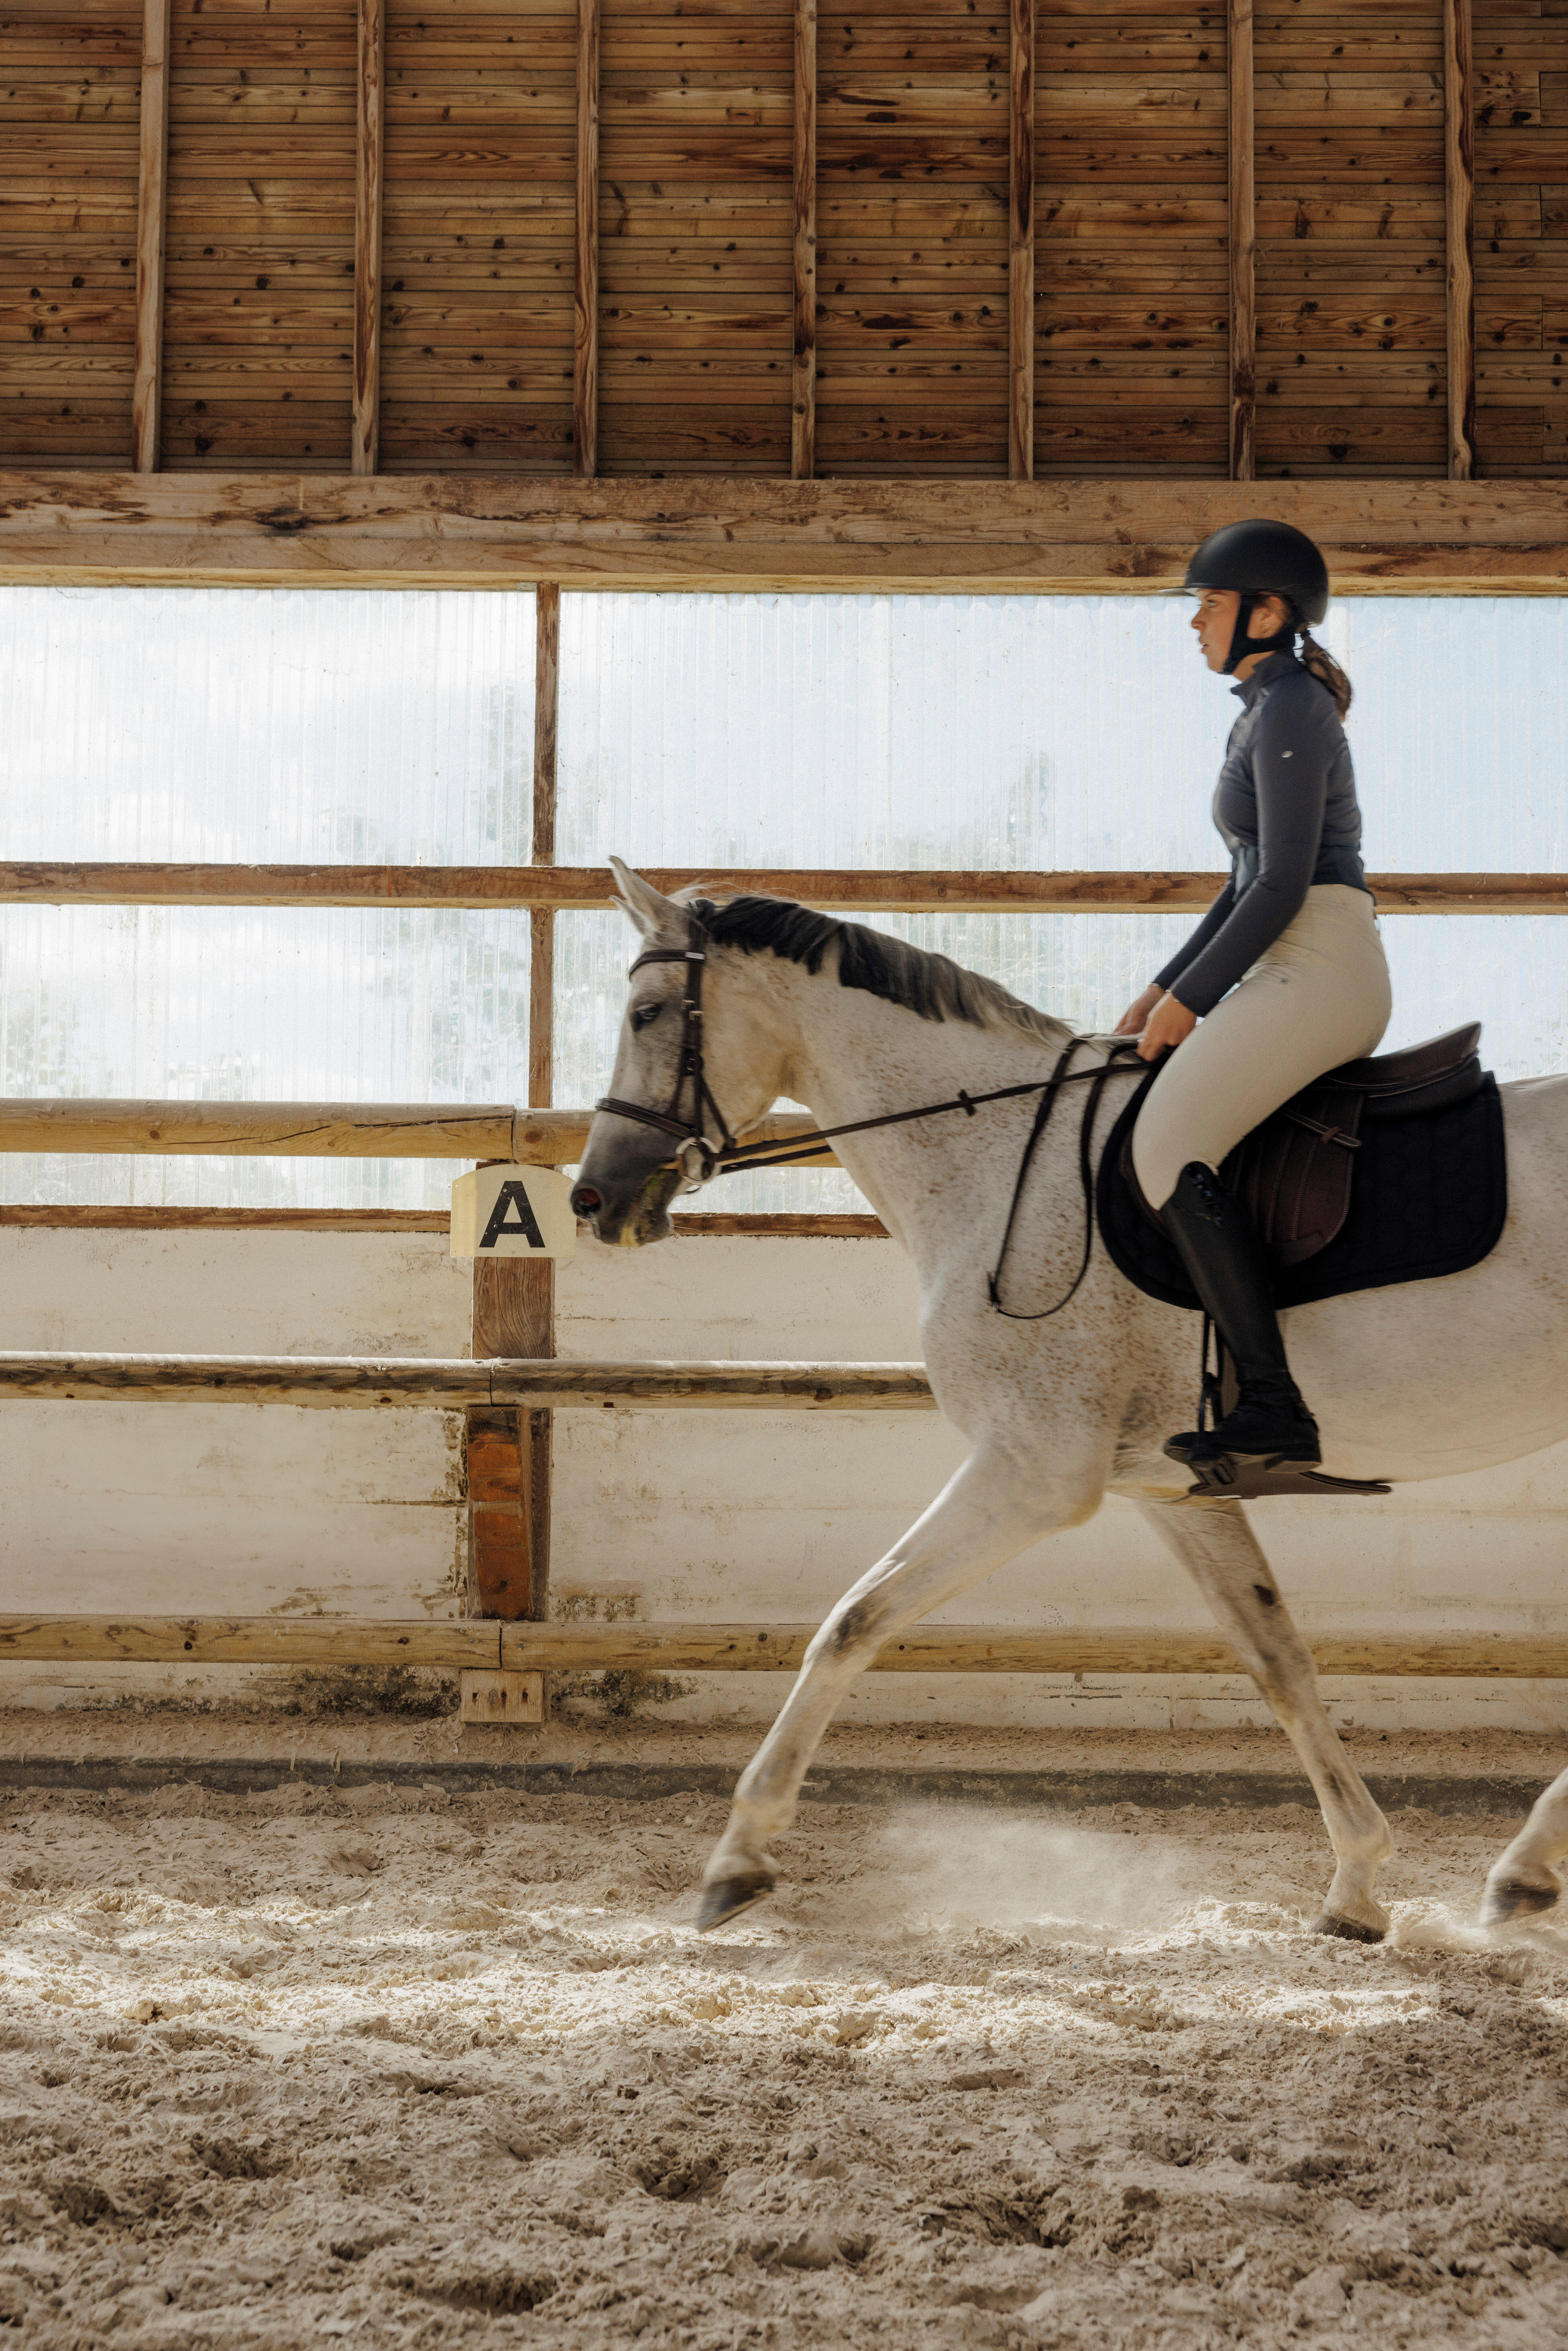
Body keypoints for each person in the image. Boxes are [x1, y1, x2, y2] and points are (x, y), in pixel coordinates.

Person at [1113, 519, 1392, 1494]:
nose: (1194, 621)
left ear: (1267, 614)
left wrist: (1189, 1005)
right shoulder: (1258, 708)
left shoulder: (1291, 708)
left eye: (1210, 603)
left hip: (1320, 964)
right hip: (1290, 954)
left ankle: (1273, 1407)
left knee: (1165, 1146)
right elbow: (1240, 889)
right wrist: (1155, 993)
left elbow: (1278, 888)